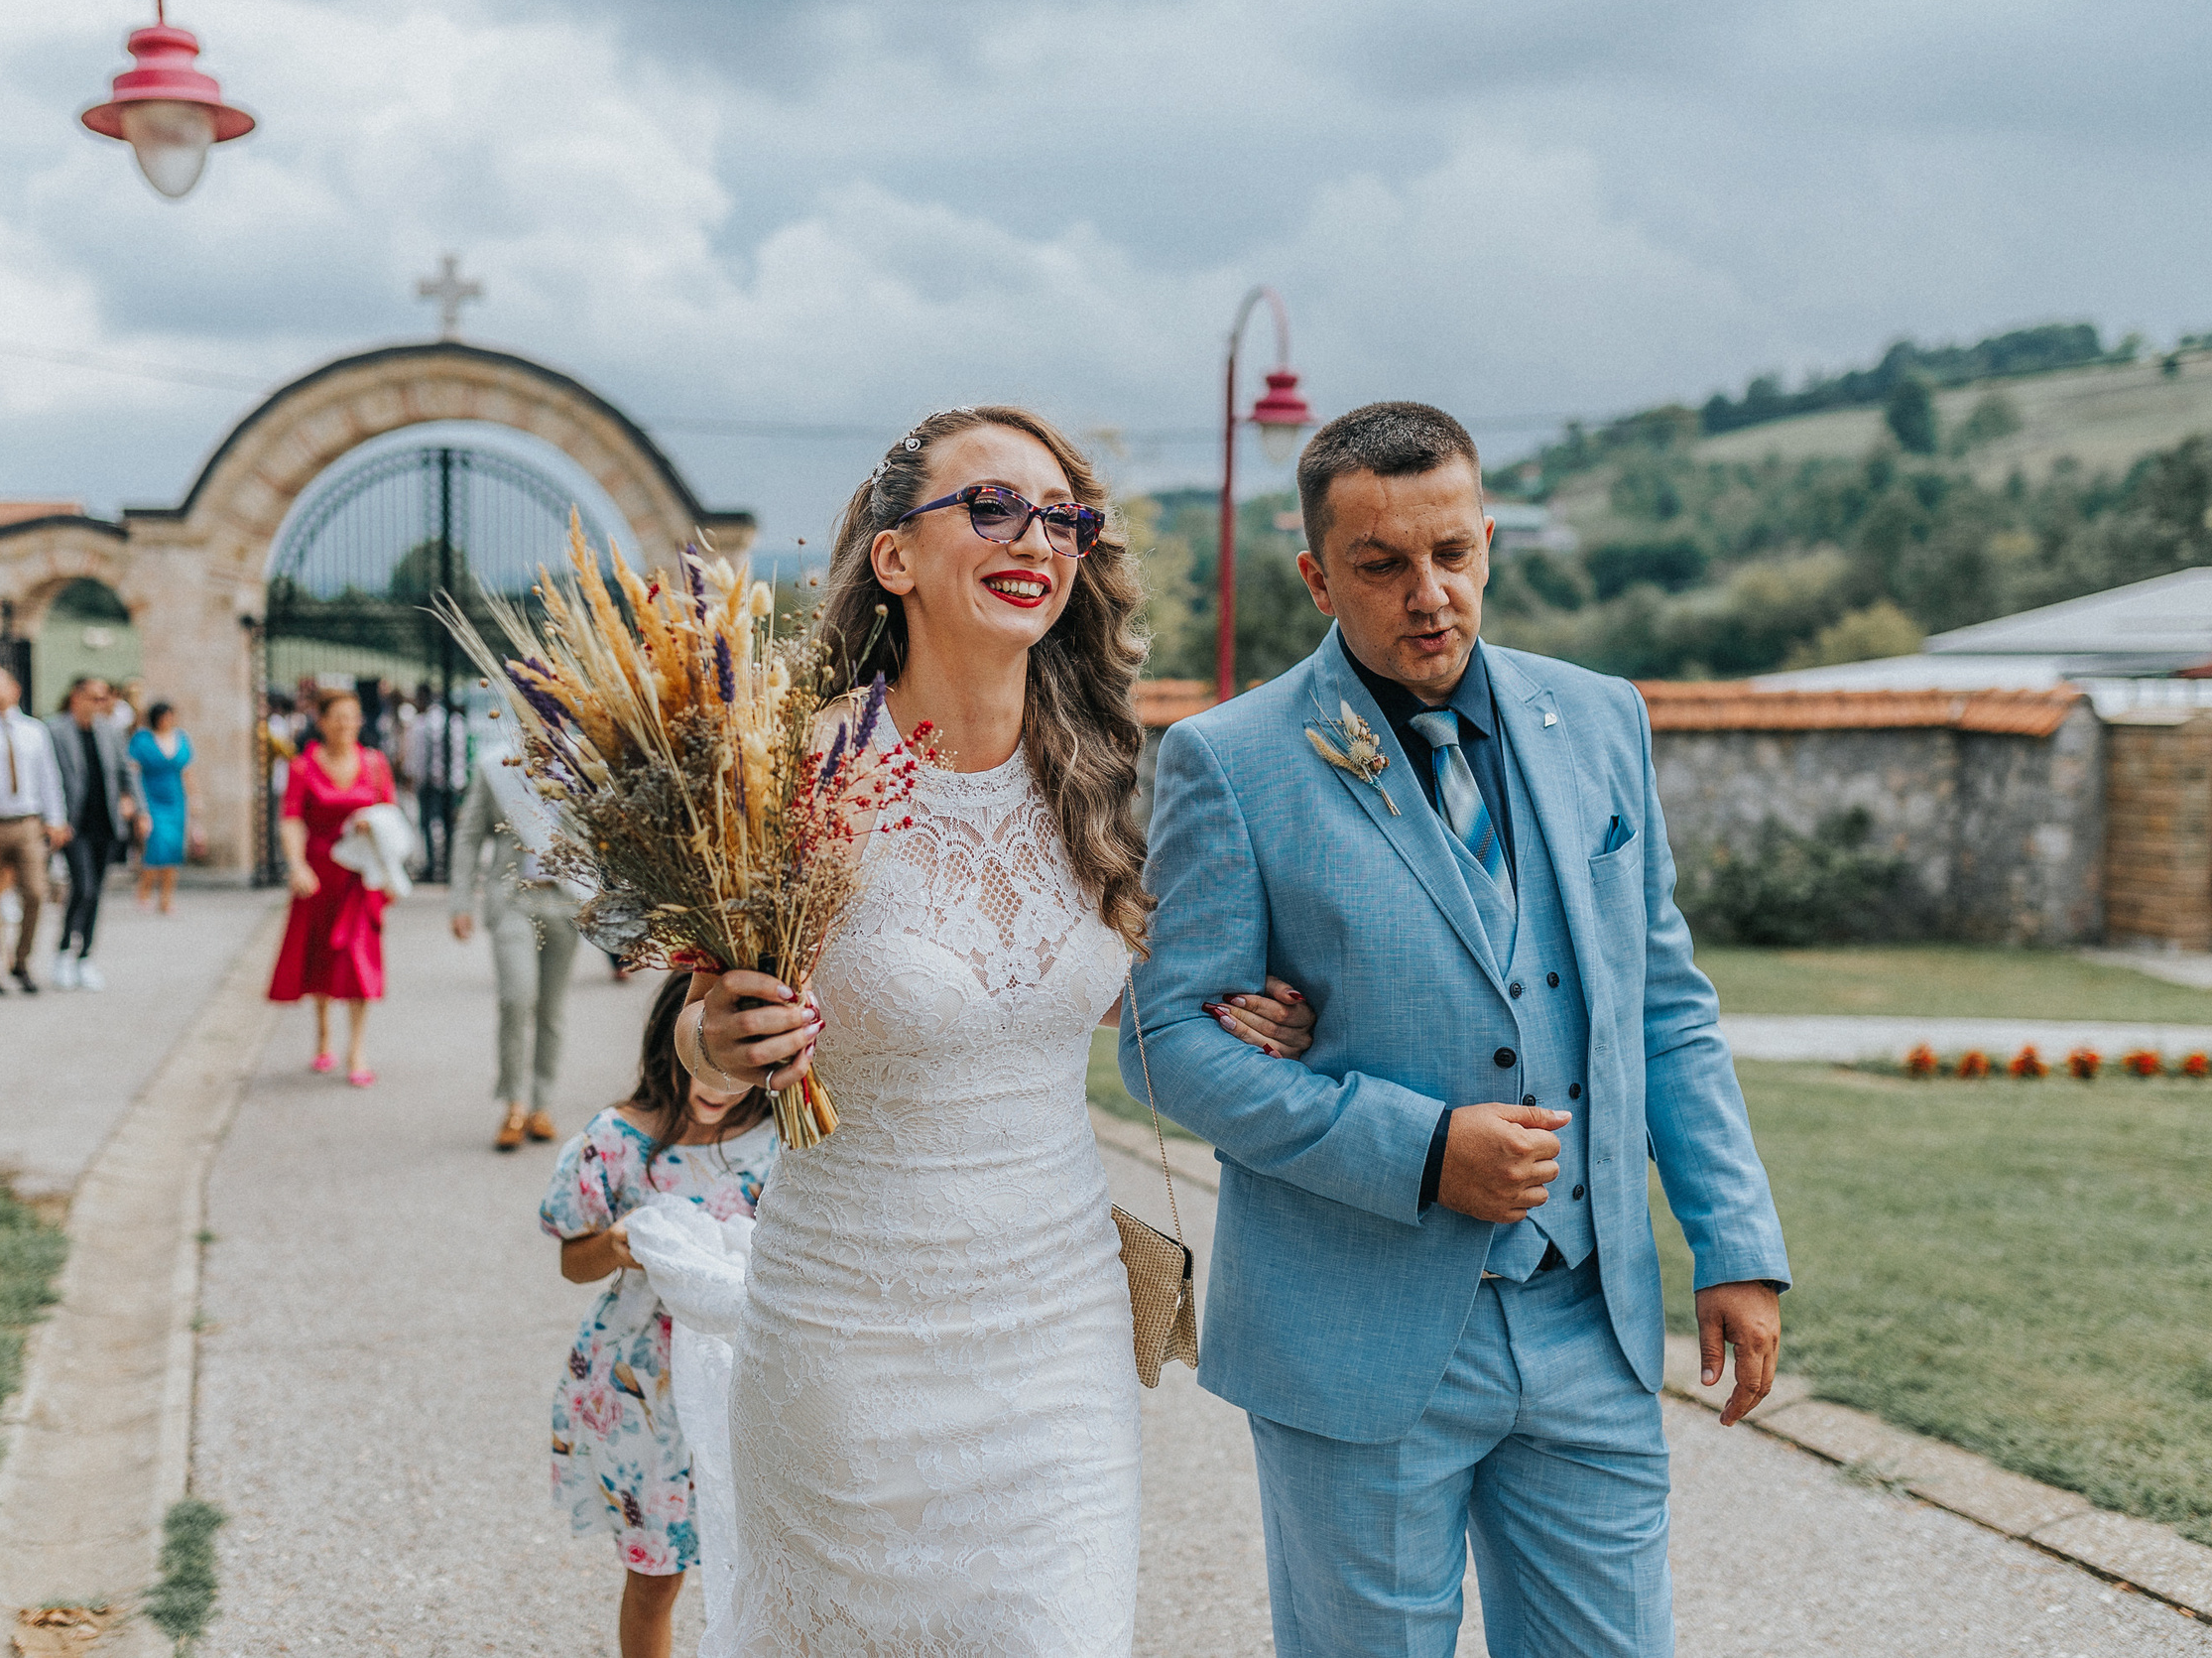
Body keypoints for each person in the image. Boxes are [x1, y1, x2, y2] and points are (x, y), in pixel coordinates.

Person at [1131, 402, 1789, 1657]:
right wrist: (1422, 1148)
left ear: (1486, 540)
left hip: (1586, 1319)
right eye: (1381, 566)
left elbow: (1664, 1006)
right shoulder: (1229, 760)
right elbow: (1165, 1041)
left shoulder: (1600, 721)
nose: (1426, 594)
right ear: (1318, 576)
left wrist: (1735, 1242)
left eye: (1452, 554)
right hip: (1352, 1337)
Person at [680, 408, 1313, 1652]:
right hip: (845, 1344)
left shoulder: (1105, 784)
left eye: (1063, 518)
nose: (1038, 537)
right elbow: (700, 1049)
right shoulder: (783, 784)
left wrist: (1251, 1020)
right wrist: (721, 1044)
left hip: (1057, 1339)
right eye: (991, 507)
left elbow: (1146, 1003)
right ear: (894, 556)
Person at [542, 975, 780, 1658]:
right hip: (641, 1391)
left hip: (748, 1379)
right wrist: (616, 1244)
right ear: (670, 1042)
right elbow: (572, 1255)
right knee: (656, 1577)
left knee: (765, 1567)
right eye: (704, 1054)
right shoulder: (614, 1139)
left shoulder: (776, 1142)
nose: (719, 1080)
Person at [450, 751, 582, 1151]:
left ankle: (542, 1103)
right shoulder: (496, 767)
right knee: (516, 997)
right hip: (512, 900)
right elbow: (470, 834)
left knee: (551, 1009)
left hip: (564, 901)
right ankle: (514, 1103)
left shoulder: (582, 762)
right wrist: (460, 901)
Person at [267, 688, 396, 1085]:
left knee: (359, 958)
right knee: (320, 956)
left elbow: (390, 817)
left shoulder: (375, 764)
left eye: (352, 717)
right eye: (337, 717)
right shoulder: (303, 767)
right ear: (321, 722)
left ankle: (356, 1049)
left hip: (361, 875)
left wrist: (374, 830)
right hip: (319, 873)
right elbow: (290, 819)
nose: (346, 725)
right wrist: (298, 865)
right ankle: (323, 1035)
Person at [0, 665, 67, 995]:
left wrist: (56, 818)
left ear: (14, 689)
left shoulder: (34, 731)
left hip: (25, 822)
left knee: (35, 892)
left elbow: (48, 777)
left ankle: (21, 959)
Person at [45, 676, 142, 991]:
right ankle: (63, 951)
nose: (102, 704)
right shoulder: (55, 730)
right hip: (73, 825)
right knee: (83, 887)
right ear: (77, 696)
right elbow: (49, 777)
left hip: (106, 822)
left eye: (105, 699)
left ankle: (84, 956)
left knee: (96, 891)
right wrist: (53, 818)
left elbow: (126, 773)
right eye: (95, 698)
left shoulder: (111, 731)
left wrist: (137, 808)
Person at [129, 701, 192, 913]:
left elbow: (187, 771)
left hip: (175, 799)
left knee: (173, 848)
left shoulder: (180, 738)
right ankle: (144, 891)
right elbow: (133, 771)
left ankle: (166, 898)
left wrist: (195, 798)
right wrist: (133, 800)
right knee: (156, 846)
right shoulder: (142, 739)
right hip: (151, 797)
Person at [400, 684, 464, 878]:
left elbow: (417, 755)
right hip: (451, 780)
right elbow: (460, 753)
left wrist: (413, 776)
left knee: (427, 824)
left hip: (429, 780)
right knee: (449, 824)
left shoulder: (422, 723)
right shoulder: (456, 722)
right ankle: (449, 864)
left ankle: (432, 865)